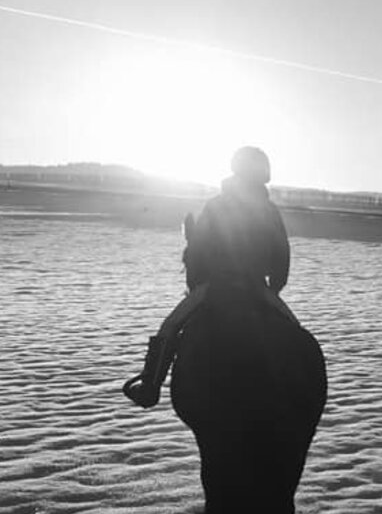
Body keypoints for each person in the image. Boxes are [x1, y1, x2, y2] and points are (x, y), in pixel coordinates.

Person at [122, 146, 292, 408]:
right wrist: (274, 289)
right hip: (259, 289)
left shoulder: (216, 205)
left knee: (170, 326)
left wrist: (199, 283)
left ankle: (150, 385)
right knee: (296, 334)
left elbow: (198, 250)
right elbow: (282, 254)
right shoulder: (270, 210)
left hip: (216, 286)